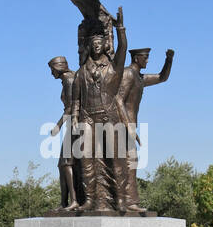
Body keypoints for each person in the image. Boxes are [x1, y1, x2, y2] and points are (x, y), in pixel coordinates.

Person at [70, 11, 129, 211]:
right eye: (93, 43)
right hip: (87, 118)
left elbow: (122, 49)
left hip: (109, 117)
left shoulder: (113, 68)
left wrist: (120, 28)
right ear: (89, 46)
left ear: (104, 45)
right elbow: (76, 100)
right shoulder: (80, 73)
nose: (96, 46)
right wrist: (76, 121)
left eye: (99, 43)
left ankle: (120, 199)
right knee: (86, 160)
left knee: (116, 158)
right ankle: (90, 200)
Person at [115, 47, 174, 212]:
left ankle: (130, 201)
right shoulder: (127, 74)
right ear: (136, 59)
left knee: (131, 162)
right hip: (123, 126)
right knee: (128, 162)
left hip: (131, 126)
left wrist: (169, 60)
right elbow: (118, 99)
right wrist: (128, 127)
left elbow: (162, 78)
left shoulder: (139, 77)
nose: (147, 61)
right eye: (145, 58)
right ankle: (128, 201)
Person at [47, 56, 81, 210]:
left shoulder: (68, 80)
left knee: (66, 163)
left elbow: (70, 107)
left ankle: (72, 201)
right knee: (63, 164)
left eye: (52, 69)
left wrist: (58, 126)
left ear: (59, 67)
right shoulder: (69, 79)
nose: (51, 73)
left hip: (76, 126)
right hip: (75, 126)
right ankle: (64, 202)